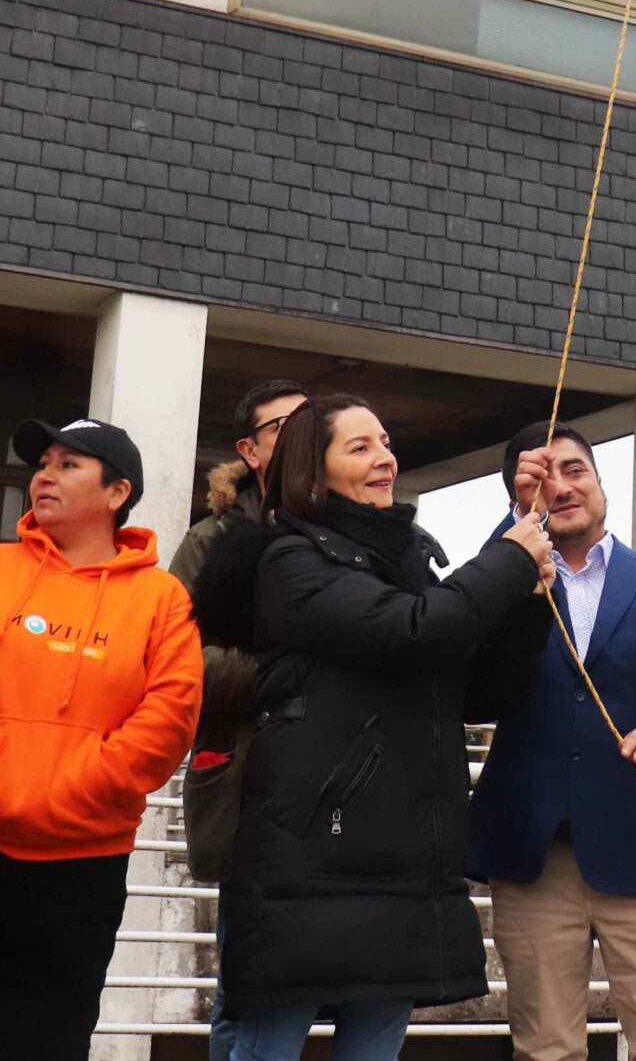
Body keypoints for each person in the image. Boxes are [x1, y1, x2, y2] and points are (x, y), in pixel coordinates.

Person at [196, 394, 556, 1061]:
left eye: (386, 441)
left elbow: (478, 688)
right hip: (308, 859)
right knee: (266, 1046)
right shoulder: (289, 558)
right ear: (313, 467)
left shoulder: (413, 558)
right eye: (358, 446)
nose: (385, 457)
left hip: (406, 857)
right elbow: (411, 630)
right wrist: (506, 560)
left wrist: (531, 600)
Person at [0, 417, 203, 1058]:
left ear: (116, 493)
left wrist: (86, 785)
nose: (44, 474)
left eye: (69, 464)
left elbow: (170, 716)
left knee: (48, 1043)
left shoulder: (162, 599)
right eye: (42, 461)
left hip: (79, 867)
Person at [469, 424, 636, 1061]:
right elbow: (469, 639)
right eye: (540, 479)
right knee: (545, 1048)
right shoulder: (507, 573)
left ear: (599, 480)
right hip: (533, 851)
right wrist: (513, 523)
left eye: (574, 470)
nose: (560, 487)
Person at [166, 377, 309, 1061]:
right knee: (245, 985)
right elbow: (175, 663)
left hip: (349, 790)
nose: (302, 434)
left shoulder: (362, 530)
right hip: (251, 783)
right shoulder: (211, 540)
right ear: (249, 450)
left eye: (312, 421)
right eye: (283, 426)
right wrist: (288, 671)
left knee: (360, 984)